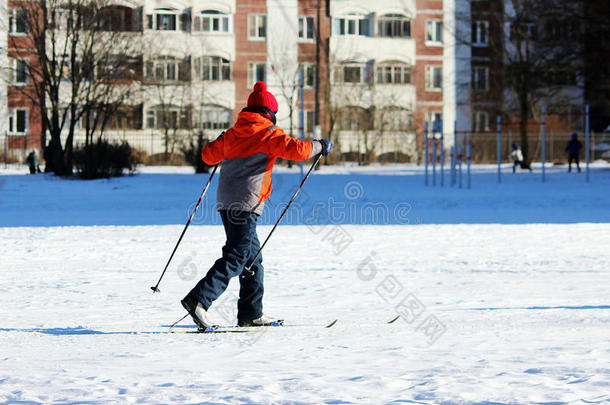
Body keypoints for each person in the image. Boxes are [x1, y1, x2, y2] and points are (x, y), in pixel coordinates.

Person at [181, 81, 332, 329]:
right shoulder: (267, 133)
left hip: (226, 203)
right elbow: (298, 151)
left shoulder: (232, 134)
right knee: (238, 255)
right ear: (269, 112)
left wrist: (218, 141)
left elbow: (208, 156)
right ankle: (198, 299)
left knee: (253, 259)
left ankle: (251, 314)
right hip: (246, 203)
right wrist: (320, 145)